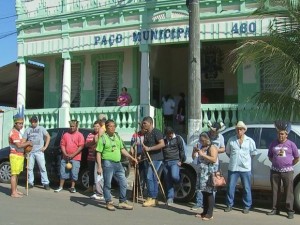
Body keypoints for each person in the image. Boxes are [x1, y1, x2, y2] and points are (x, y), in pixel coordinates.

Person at [96, 119, 138, 211]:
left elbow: (122, 149)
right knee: (107, 184)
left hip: (118, 163)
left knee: (123, 182)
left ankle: (122, 202)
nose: (112, 128)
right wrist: (99, 166)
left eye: (114, 126)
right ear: (106, 128)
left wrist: (131, 157)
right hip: (108, 163)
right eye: (110, 126)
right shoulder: (102, 138)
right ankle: (109, 202)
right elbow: (98, 153)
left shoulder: (117, 137)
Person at [266, 121, 299, 219]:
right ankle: (275, 209)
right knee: (275, 191)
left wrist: (289, 164)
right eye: (278, 133)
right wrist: (276, 163)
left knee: (289, 191)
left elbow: (297, 157)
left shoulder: (291, 144)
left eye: (282, 134)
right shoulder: (273, 144)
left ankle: (290, 211)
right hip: (275, 171)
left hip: (287, 171)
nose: (280, 135)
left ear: (286, 135)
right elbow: (270, 156)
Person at [191, 121, 226, 210]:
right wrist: (196, 151)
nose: (214, 132)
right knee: (200, 185)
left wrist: (213, 150)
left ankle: (211, 205)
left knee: (211, 185)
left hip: (213, 165)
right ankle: (199, 203)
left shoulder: (220, 137)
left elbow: (223, 149)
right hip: (202, 165)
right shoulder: (204, 135)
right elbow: (195, 153)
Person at [224, 121, 257, 214]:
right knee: (230, 187)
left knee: (246, 188)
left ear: (244, 130)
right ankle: (229, 205)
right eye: (237, 129)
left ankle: (247, 206)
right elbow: (228, 152)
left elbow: (253, 154)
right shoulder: (231, 140)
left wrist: (245, 160)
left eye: (241, 129)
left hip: (245, 168)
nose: (239, 131)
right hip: (233, 168)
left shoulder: (250, 141)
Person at [54, 120, 85, 193]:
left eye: (73, 126)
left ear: (76, 127)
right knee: (63, 172)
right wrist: (65, 153)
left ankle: (72, 187)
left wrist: (73, 154)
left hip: (76, 158)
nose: (71, 128)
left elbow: (81, 146)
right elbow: (62, 145)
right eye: (70, 126)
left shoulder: (79, 135)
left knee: (74, 173)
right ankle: (60, 186)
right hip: (65, 157)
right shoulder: (66, 134)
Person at [141, 116, 165, 207]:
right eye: (143, 123)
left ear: (150, 123)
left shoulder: (156, 132)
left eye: (145, 123)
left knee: (149, 176)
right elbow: (146, 147)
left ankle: (152, 196)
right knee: (153, 177)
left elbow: (162, 144)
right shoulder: (146, 133)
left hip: (156, 158)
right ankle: (154, 197)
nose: (143, 125)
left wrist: (150, 148)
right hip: (148, 158)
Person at [194, 132, 218, 221]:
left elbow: (214, 159)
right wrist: (195, 151)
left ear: (207, 139)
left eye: (203, 140)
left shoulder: (212, 147)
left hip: (208, 174)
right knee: (203, 192)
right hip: (201, 173)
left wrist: (203, 154)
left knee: (209, 193)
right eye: (200, 140)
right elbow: (194, 157)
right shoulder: (201, 147)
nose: (201, 142)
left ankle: (209, 213)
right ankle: (204, 212)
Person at [23, 115, 51, 190]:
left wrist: (45, 147)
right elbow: (24, 140)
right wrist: (25, 149)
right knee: (29, 168)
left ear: (37, 121)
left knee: (42, 167)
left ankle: (45, 183)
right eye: (32, 121)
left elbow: (48, 136)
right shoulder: (28, 130)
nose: (33, 123)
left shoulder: (41, 128)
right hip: (30, 152)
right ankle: (30, 182)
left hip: (39, 151)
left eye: (35, 121)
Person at [9, 109, 32, 198]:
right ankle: (13, 192)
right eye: (19, 123)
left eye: (22, 123)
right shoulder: (13, 132)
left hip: (19, 155)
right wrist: (28, 143)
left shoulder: (18, 132)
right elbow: (19, 145)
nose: (21, 125)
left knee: (17, 173)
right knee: (14, 174)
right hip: (15, 155)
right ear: (15, 123)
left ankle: (15, 190)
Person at [162, 126, 186, 206]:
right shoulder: (164, 139)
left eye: (171, 134)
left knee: (174, 176)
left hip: (175, 161)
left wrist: (181, 160)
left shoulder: (178, 139)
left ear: (172, 133)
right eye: (168, 134)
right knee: (168, 180)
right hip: (166, 161)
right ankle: (170, 197)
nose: (169, 136)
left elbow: (182, 150)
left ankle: (179, 181)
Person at [85, 119, 106, 199]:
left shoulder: (102, 135)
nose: (96, 128)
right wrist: (93, 142)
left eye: (98, 126)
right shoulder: (90, 135)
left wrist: (95, 145)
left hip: (99, 158)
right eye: (95, 126)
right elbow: (87, 144)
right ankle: (92, 188)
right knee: (92, 174)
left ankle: (100, 192)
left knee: (99, 175)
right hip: (91, 157)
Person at [130, 123, 146, 193]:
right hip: (137, 158)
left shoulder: (147, 135)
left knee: (143, 175)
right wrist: (133, 156)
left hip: (145, 158)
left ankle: (141, 191)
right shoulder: (135, 135)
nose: (145, 130)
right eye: (143, 129)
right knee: (137, 176)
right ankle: (135, 192)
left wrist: (141, 155)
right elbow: (131, 146)